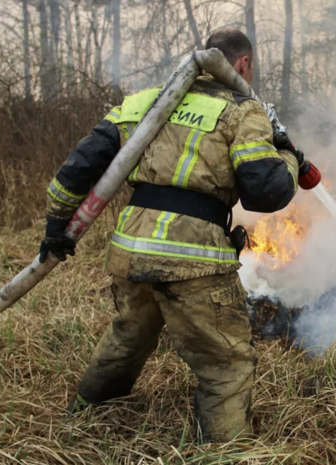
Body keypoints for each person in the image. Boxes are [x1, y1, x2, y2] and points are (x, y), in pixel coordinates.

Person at [39, 28, 308, 443]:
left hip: (131, 250)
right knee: (227, 363)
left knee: (129, 336)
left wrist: (58, 224)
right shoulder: (244, 112)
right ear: (244, 65)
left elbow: (80, 165)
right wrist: (288, 156)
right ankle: (225, 451)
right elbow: (265, 192)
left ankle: (82, 424)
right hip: (193, 257)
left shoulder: (147, 101)